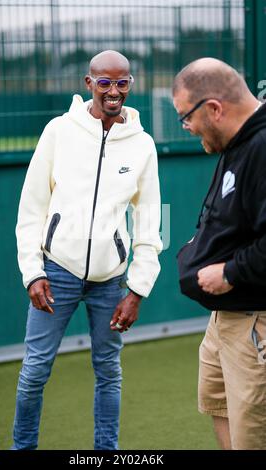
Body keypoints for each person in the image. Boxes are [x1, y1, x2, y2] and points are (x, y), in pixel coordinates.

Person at [12, 50, 162, 450]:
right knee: (35, 371)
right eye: (105, 82)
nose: (113, 91)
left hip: (110, 280)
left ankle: (105, 452)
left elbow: (150, 222)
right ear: (88, 83)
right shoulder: (59, 131)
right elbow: (31, 209)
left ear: (130, 85)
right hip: (55, 271)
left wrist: (137, 289)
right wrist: (34, 272)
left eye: (122, 82)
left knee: (109, 372)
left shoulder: (143, 145)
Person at [173, 57, 266, 450]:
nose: (187, 127)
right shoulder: (236, 140)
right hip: (225, 319)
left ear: (213, 108)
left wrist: (228, 272)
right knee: (219, 406)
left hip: (254, 320)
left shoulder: (262, 148)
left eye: (186, 117)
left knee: (253, 435)